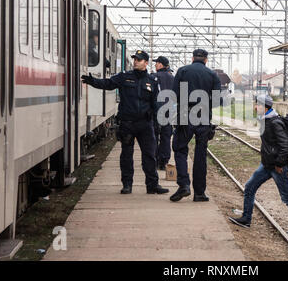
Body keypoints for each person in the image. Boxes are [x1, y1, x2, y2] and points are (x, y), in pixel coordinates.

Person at [81, 50, 169, 195]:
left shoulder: (152, 81)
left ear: (146, 63)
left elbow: (156, 103)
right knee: (126, 156)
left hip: (145, 125)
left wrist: (156, 123)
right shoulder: (124, 77)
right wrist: (93, 82)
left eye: (139, 60)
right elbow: (108, 84)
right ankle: (127, 185)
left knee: (149, 155)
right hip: (127, 123)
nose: (135, 61)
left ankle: (152, 185)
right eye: (135, 59)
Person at [228, 95, 288, 233]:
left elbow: (285, 146)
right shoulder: (265, 120)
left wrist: (280, 164)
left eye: (257, 105)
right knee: (249, 187)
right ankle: (246, 218)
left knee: (287, 197)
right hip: (266, 165)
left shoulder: (274, 122)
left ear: (265, 107)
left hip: (277, 167)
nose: (255, 107)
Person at [170, 49, 222, 203]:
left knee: (179, 149)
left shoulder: (183, 71)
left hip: (185, 115)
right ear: (206, 60)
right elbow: (218, 100)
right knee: (200, 155)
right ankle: (199, 193)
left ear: (192, 58)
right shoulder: (213, 75)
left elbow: (174, 95)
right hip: (204, 117)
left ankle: (184, 185)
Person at [152, 56, 175, 171]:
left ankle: (155, 160)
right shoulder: (173, 78)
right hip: (169, 112)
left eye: (156, 63)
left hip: (155, 111)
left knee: (154, 136)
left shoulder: (153, 77)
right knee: (166, 137)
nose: (155, 65)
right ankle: (164, 162)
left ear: (161, 65)